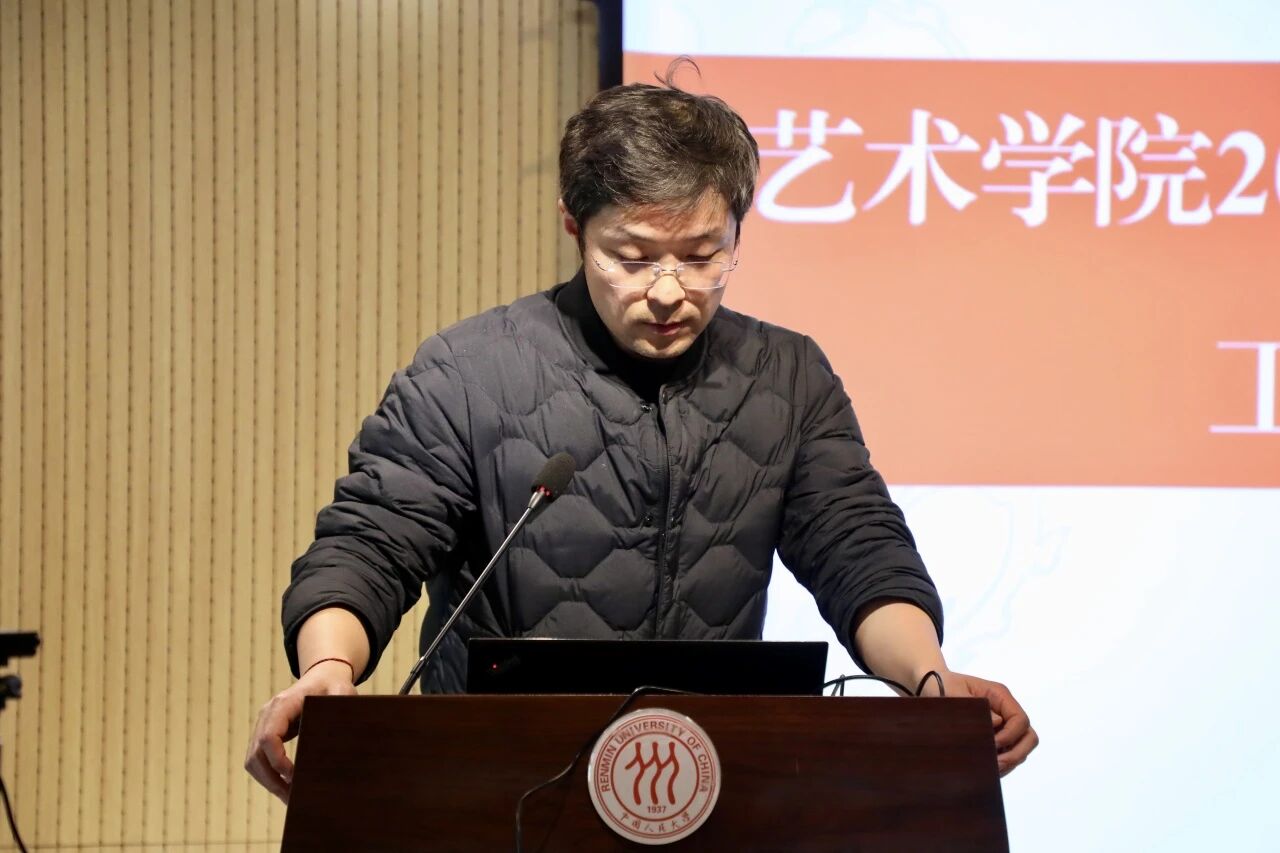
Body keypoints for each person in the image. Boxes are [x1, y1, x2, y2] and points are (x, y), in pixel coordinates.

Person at [245, 67, 1038, 804]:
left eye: (702, 257)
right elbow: (371, 540)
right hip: (496, 782)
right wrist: (328, 667)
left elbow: (857, 546)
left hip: (706, 786)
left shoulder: (786, 377)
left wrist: (929, 678)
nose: (667, 292)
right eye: (631, 256)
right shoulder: (470, 370)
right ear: (573, 224)